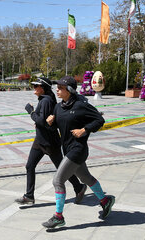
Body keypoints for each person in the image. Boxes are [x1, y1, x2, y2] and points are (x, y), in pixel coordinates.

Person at [43, 76, 114, 229]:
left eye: (61, 88)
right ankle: (105, 201)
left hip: (78, 150)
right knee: (86, 178)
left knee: (58, 180)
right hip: (68, 148)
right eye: (58, 87)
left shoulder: (81, 105)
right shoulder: (58, 107)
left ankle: (58, 217)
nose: (57, 90)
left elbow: (99, 120)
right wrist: (50, 122)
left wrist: (84, 130)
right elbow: (57, 126)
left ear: (69, 90)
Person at [15, 77, 86, 205]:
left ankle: (79, 187)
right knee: (30, 166)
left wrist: (31, 111)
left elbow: (42, 121)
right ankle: (29, 195)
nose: (34, 88)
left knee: (62, 169)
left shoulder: (46, 101)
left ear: (43, 88)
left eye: (36, 86)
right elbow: (44, 121)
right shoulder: (45, 99)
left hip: (50, 142)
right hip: (40, 141)